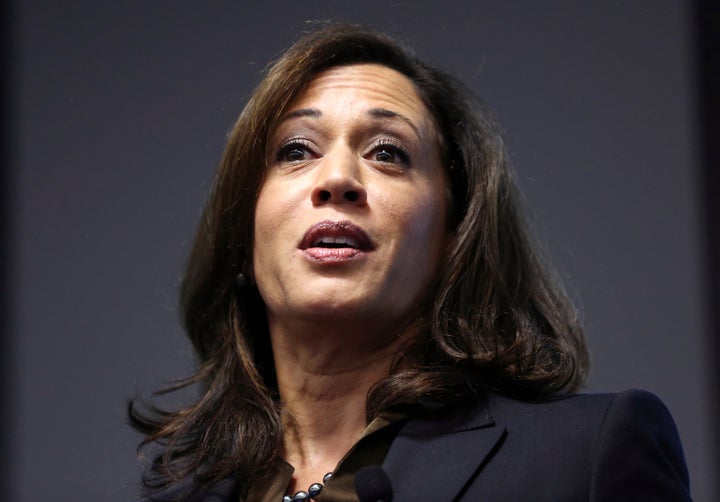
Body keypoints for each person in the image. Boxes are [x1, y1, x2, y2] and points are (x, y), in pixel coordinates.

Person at [130, 23, 691, 501]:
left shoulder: (585, 456)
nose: (337, 180)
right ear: (244, 235)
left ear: (455, 233)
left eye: (387, 153)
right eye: (296, 150)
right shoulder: (183, 490)